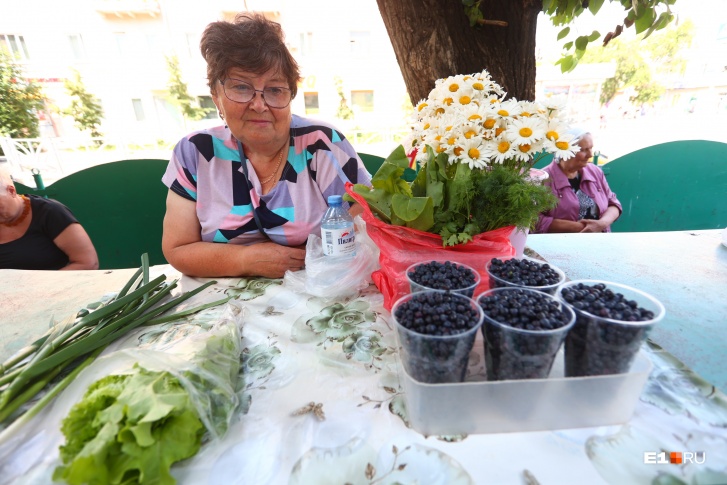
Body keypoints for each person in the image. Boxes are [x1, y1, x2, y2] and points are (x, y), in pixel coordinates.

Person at [161, 12, 371, 279]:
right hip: (221, 302)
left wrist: (319, 255)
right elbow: (178, 248)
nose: (259, 105)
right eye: (241, 87)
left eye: (274, 90)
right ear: (216, 96)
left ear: (290, 95)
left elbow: (368, 214)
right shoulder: (194, 152)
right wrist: (245, 259)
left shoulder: (322, 144)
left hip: (319, 289)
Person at [0, 167, 99, 270]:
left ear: (11, 191)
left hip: (57, 284)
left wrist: (43, 285)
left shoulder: (49, 212)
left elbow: (88, 263)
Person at [535, 129, 622, 233]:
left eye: (591, 148)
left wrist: (601, 224)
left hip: (599, 240)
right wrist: (581, 228)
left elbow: (613, 203)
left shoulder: (595, 172)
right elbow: (535, 220)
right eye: (584, 150)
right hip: (561, 244)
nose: (590, 155)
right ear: (565, 151)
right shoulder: (542, 179)